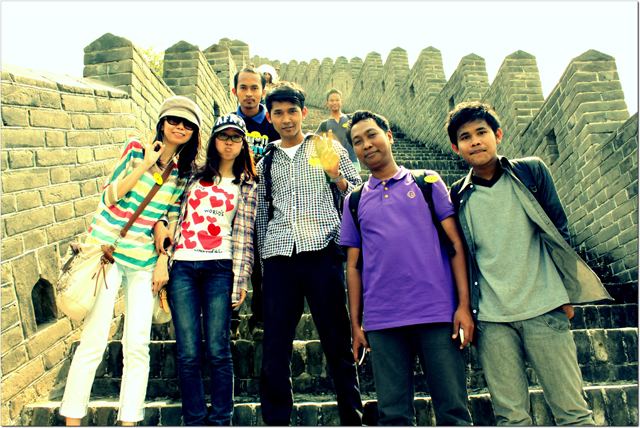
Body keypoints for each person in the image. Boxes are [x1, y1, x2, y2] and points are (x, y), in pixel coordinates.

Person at [446, 101, 611, 425]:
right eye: (465, 137)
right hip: (491, 320)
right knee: (512, 419)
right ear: (456, 148)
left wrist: (566, 292)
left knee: (573, 413)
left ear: (498, 135)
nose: (475, 141)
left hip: (544, 308)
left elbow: (559, 231)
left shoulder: (531, 172)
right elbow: (458, 254)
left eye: (481, 132)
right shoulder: (457, 195)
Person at [59, 96, 202, 426]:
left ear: (194, 132)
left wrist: (163, 259)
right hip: (107, 253)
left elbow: (169, 217)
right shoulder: (136, 148)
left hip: (143, 260)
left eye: (187, 124)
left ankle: (129, 420)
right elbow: (110, 196)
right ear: (162, 123)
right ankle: (73, 419)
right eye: (173, 120)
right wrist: (144, 165)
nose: (179, 127)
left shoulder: (182, 173)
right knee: (94, 340)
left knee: (138, 345)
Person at [341, 110, 473, 426]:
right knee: (393, 415)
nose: (366, 144)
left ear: (389, 137)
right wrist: (356, 325)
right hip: (382, 320)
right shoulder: (354, 200)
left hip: (437, 313)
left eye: (371, 135)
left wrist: (464, 305)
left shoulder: (427, 181)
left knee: (453, 410)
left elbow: (456, 245)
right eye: (357, 141)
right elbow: (353, 267)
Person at [255, 84, 363, 425]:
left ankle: (352, 418)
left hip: (321, 251)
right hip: (279, 256)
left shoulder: (325, 147)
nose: (286, 119)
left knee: (337, 343)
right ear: (270, 117)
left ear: (303, 112)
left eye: (292, 111)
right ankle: (277, 420)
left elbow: (360, 195)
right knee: (275, 348)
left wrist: (336, 177)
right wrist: (264, 267)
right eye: (278, 113)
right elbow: (262, 215)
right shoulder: (266, 162)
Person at [153, 113, 258, 425]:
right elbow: (167, 208)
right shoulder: (192, 175)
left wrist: (241, 279)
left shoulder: (247, 185)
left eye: (236, 137)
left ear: (243, 144)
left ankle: (222, 419)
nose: (229, 142)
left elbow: (245, 235)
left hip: (220, 268)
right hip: (183, 266)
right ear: (214, 141)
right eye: (223, 136)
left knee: (218, 350)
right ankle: (195, 419)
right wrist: (163, 253)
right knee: (187, 352)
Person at [230, 67, 280, 341]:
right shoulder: (228, 123)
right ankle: (230, 318)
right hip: (233, 202)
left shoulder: (273, 124)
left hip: (265, 203)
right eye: (243, 87)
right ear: (234, 90)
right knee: (229, 259)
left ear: (263, 91)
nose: (249, 93)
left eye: (254, 88)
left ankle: (260, 319)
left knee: (263, 263)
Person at [316, 89, 361, 172]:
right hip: (334, 163)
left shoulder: (350, 119)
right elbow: (315, 141)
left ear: (342, 101)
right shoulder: (324, 125)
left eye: (337, 100)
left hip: (352, 160)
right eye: (332, 100)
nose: (334, 102)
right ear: (327, 103)